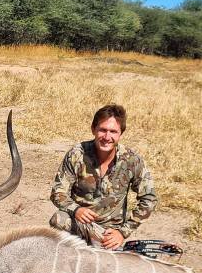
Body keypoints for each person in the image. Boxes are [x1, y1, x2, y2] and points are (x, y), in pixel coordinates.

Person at [49, 103, 158, 250]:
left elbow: (149, 198)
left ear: (121, 133)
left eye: (113, 132)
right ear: (93, 129)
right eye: (103, 130)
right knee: (59, 219)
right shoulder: (76, 154)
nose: (107, 137)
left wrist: (122, 232)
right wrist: (76, 210)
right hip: (80, 224)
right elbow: (58, 192)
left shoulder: (132, 160)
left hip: (108, 233)